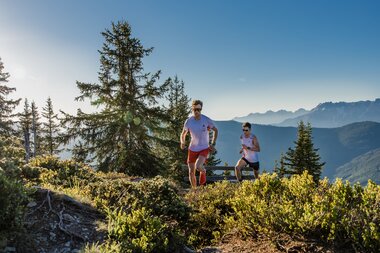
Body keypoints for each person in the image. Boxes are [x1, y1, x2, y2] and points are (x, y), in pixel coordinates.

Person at [180, 100, 218, 188]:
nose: (197, 111)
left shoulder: (206, 120)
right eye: (195, 109)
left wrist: (213, 143)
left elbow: (216, 130)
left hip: (204, 148)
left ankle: (203, 171)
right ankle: (195, 191)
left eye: (199, 109)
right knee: (191, 172)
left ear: (201, 109)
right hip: (192, 148)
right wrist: (182, 142)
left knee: (198, 166)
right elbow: (183, 134)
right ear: (192, 109)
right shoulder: (189, 121)